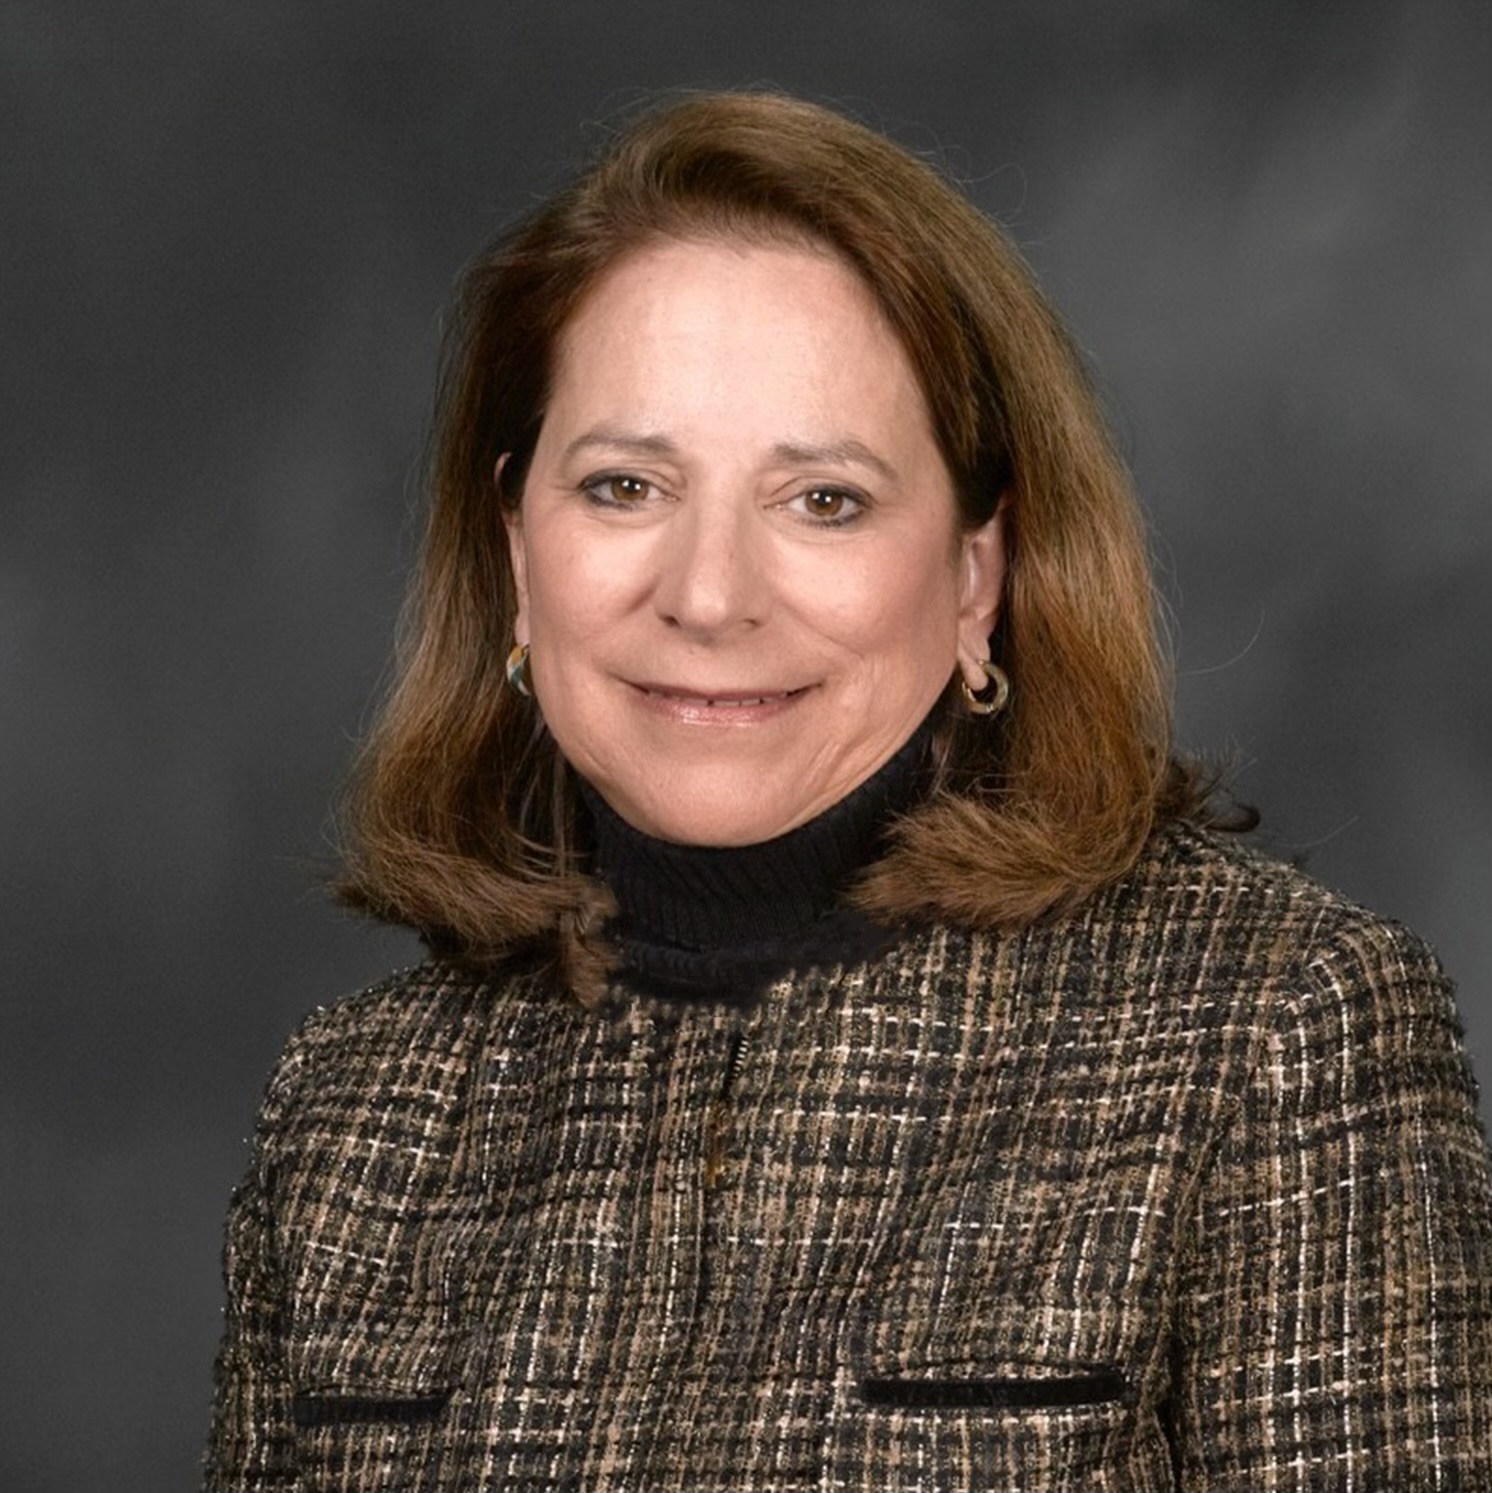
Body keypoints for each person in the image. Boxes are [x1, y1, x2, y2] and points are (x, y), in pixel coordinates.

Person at [204, 92, 1492, 1492]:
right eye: (626, 486)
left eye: (823, 499)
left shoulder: (1271, 1033)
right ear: (517, 551)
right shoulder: (355, 1111)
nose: (708, 596)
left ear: (978, 576)